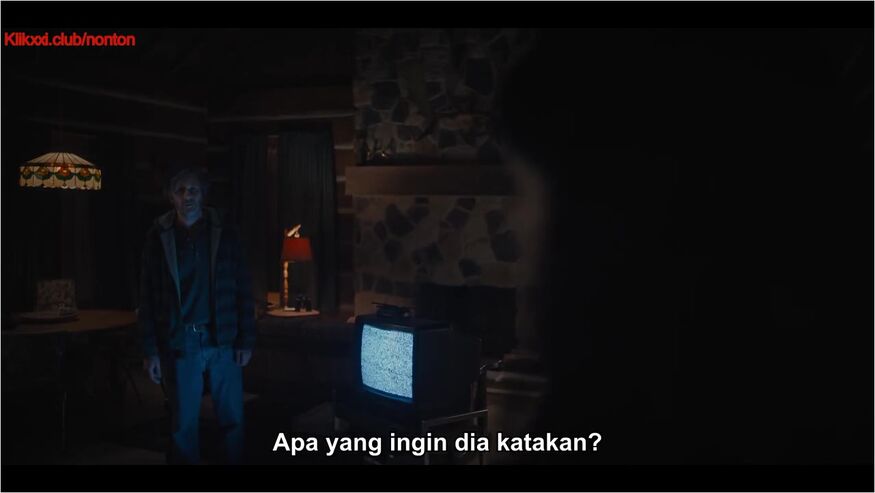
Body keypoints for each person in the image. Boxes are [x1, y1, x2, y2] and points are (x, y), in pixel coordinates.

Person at [138, 166, 256, 464]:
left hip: (222, 338)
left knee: (233, 418)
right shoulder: (159, 236)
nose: (187, 196)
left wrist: (246, 339)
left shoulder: (224, 231)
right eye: (180, 191)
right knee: (183, 424)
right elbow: (147, 296)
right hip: (182, 341)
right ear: (171, 197)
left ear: (203, 195)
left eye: (193, 190)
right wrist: (150, 351)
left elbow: (243, 286)